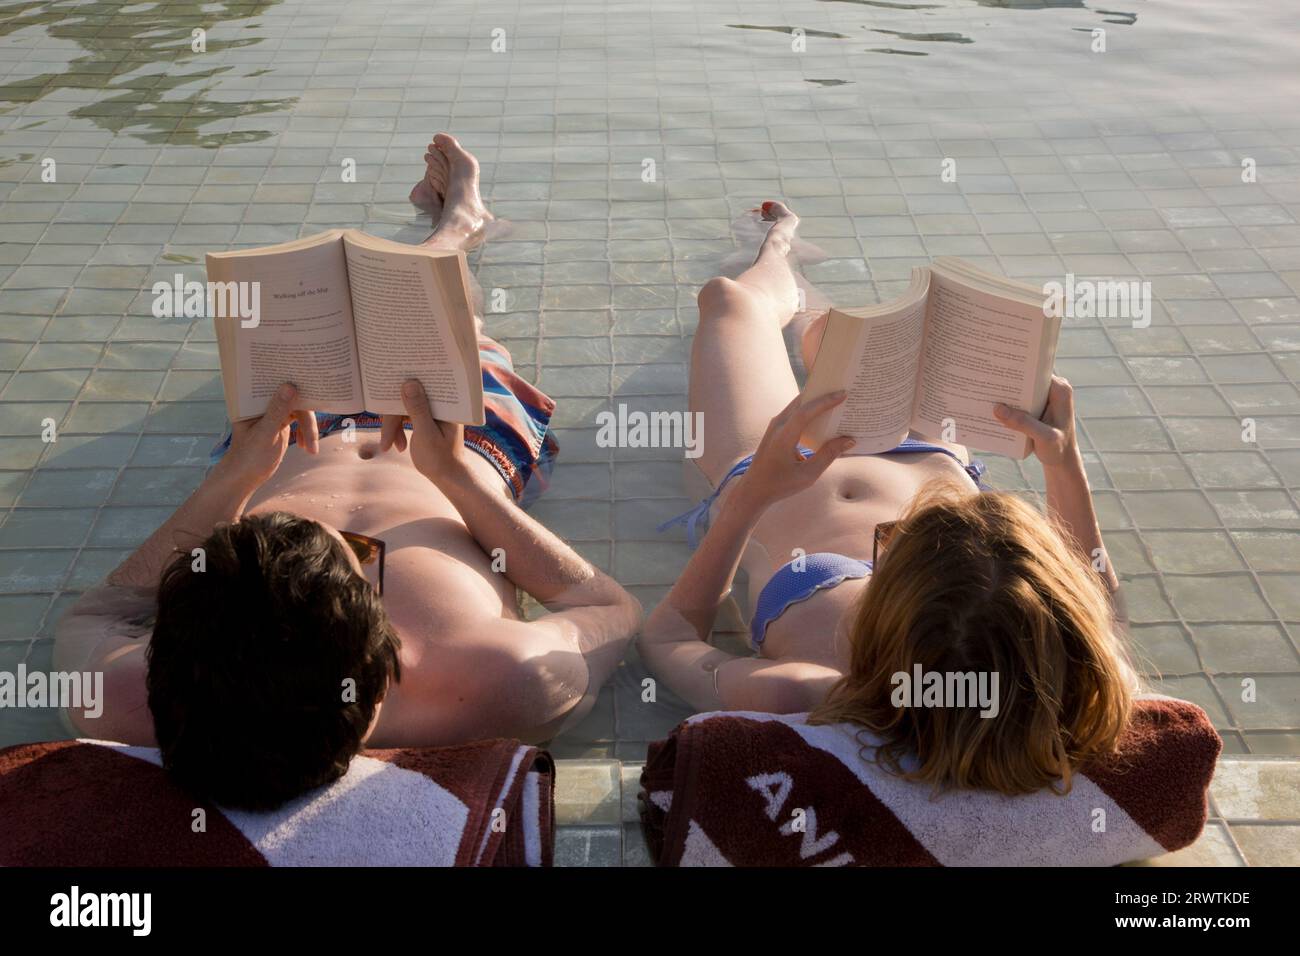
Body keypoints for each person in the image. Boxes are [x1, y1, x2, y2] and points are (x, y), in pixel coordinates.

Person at [54, 134, 641, 810]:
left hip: (282, 437)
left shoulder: (129, 700)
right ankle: (458, 227)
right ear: (382, 667)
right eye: (367, 561)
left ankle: (447, 232)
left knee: (328, 326)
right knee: (443, 324)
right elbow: (607, 608)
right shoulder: (498, 686)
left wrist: (234, 480)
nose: (350, 542)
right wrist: (450, 474)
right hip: (458, 444)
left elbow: (100, 610)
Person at [640, 201, 1137, 795]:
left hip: (766, 466)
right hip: (930, 453)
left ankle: (775, 250)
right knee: (871, 343)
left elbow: (667, 637)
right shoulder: (1076, 672)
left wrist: (751, 497)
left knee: (729, 300)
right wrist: (1063, 462)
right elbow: (1098, 604)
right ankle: (806, 300)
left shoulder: (806, 688)